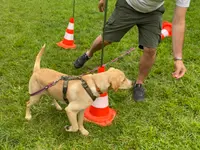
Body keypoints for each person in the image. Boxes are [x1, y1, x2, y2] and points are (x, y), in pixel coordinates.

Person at [74, 0, 190, 102]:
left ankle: (139, 84)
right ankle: (88, 54)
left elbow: (179, 22)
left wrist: (178, 58)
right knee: (106, 39)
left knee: (150, 49)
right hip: (128, 5)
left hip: (153, 12)